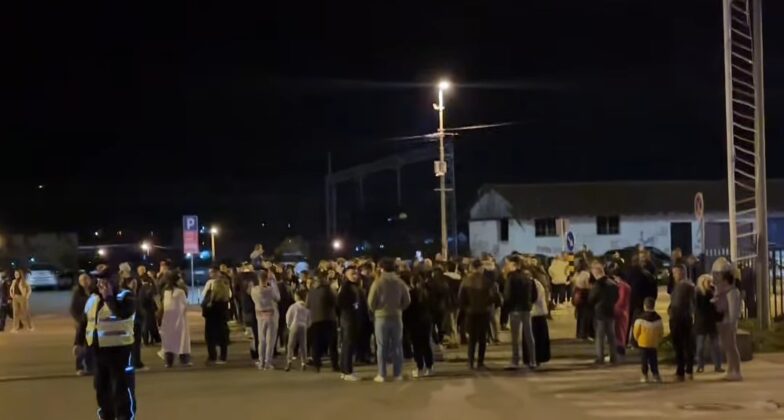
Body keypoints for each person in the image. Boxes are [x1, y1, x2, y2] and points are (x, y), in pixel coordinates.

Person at [75, 265, 137, 420]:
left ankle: (124, 416)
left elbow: (122, 313)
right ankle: (106, 415)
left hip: (120, 351)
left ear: (114, 281)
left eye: (104, 281)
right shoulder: (93, 299)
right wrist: (78, 342)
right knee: (101, 388)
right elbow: (84, 322)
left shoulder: (126, 296)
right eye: (99, 281)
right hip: (98, 352)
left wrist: (109, 297)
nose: (100, 284)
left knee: (122, 387)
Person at [368, 257, 411, 382]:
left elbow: (371, 302)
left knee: (382, 346)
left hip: (381, 317)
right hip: (397, 316)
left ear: (381, 268)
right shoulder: (400, 282)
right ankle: (398, 374)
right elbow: (407, 300)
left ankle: (382, 374)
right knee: (397, 346)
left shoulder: (377, 283)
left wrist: (376, 309)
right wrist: (399, 308)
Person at [459, 259, 501, 371]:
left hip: (471, 312)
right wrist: (488, 303)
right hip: (484, 312)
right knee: (482, 338)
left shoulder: (466, 281)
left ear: (472, 267)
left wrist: (466, 308)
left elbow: (461, 298)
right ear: (481, 268)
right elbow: (494, 297)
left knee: (472, 339)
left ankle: (470, 362)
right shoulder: (487, 281)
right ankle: (480, 362)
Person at [503, 256, 536, 370]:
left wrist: (507, 307)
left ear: (514, 265)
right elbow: (534, 294)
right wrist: (529, 303)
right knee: (529, 335)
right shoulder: (528, 276)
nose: (507, 266)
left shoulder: (511, 277)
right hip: (526, 309)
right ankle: (532, 360)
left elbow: (507, 295)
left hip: (515, 309)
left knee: (515, 337)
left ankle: (515, 360)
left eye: (508, 264)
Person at [712, 257, 742, 381]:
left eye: (718, 274)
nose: (716, 277)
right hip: (723, 322)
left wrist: (732, 324)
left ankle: (736, 371)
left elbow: (733, 311)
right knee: (727, 347)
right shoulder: (721, 291)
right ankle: (730, 369)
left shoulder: (732, 292)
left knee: (731, 347)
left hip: (728, 322)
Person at [307, 271, 339, 373]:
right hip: (329, 319)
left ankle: (317, 364)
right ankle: (335, 365)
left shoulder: (311, 291)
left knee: (316, 343)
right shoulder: (328, 290)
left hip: (315, 320)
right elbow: (335, 302)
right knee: (332, 343)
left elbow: (307, 305)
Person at [588, 260, 618, 364]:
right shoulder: (612, 283)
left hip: (600, 313)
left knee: (600, 336)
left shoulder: (597, 285)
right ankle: (614, 356)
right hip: (611, 311)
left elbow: (591, 298)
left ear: (596, 272)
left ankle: (600, 357)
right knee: (611, 336)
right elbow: (617, 296)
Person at [669, 264, 695, 381]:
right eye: (673, 273)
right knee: (681, 345)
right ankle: (683, 370)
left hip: (682, 318)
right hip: (677, 317)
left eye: (676, 273)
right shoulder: (679, 285)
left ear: (682, 272)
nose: (674, 275)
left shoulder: (686, 285)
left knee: (683, 345)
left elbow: (686, 303)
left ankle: (684, 371)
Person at [405, 270, 434, 378]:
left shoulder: (411, 294)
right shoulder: (427, 293)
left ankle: (419, 367)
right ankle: (429, 366)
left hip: (414, 322)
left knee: (416, 346)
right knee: (426, 344)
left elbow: (407, 309)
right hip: (426, 321)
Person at [159, 271, 192, 368]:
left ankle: (168, 361)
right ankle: (184, 360)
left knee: (169, 339)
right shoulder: (180, 292)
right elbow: (184, 305)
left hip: (167, 318)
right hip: (179, 318)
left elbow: (163, 304)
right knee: (182, 339)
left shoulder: (165, 291)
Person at [251, 268, 281, 370]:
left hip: (260, 316)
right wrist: (273, 282)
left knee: (262, 340)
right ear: (267, 279)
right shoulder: (270, 290)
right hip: (271, 315)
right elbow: (278, 297)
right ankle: (268, 362)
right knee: (270, 341)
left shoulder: (254, 290)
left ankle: (261, 361)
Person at [337, 265, 363, 381]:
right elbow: (340, 303)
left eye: (356, 273)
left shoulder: (354, 286)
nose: (355, 276)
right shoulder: (346, 287)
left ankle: (345, 369)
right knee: (348, 344)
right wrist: (353, 307)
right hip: (348, 318)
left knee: (348, 344)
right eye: (352, 274)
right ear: (346, 275)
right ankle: (347, 371)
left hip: (351, 318)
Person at [202, 267, 231, 364]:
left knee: (210, 338)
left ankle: (212, 356)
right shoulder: (225, 291)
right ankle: (223, 357)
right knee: (223, 337)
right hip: (222, 317)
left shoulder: (212, 297)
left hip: (211, 318)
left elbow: (205, 304)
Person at [695, 274, 723, 373]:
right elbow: (699, 308)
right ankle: (700, 366)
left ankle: (718, 365)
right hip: (701, 323)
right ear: (702, 282)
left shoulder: (713, 293)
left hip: (711, 323)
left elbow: (717, 309)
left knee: (716, 346)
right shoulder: (698, 294)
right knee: (700, 347)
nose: (710, 283)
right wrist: (711, 301)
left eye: (711, 281)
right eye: (708, 281)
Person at [119, 263, 146, 370]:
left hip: (131, 316)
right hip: (131, 317)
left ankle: (133, 362)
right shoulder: (125, 286)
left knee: (132, 341)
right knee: (133, 341)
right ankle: (135, 362)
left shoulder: (124, 284)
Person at [633, 297, 663, 383]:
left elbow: (636, 331)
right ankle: (656, 375)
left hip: (643, 342)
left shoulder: (640, 318)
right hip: (654, 343)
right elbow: (661, 331)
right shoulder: (658, 318)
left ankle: (644, 375)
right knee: (654, 360)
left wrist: (637, 339)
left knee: (644, 360)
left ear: (645, 306)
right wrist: (658, 339)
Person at [71, 273, 95, 375]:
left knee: (90, 345)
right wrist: (79, 320)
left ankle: (90, 367)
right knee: (80, 345)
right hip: (81, 322)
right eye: (82, 280)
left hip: (92, 322)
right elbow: (73, 309)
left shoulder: (94, 291)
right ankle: (79, 367)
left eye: (86, 279)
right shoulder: (77, 293)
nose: (84, 282)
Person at [525, 273, 551, 367]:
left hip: (534, 313)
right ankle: (538, 358)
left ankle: (534, 358)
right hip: (539, 312)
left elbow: (532, 298)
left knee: (534, 337)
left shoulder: (531, 283)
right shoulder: (538, 283)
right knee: (540, 337)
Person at [608, 263, 631, 356]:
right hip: (624, 311)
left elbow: (621, 300)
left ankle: (619, 351)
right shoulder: (625, 286)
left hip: (620, 311)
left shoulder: (622, 286)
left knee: (619, 332)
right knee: (621, 331)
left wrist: (613, 308)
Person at [285, 289, 311, 371]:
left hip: (294, 325)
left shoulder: (293, 306)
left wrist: (289, 325)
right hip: (303, 326)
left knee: (291, 345)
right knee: (303, 345)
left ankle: (289, 361)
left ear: (297, 297)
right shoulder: (307, 307)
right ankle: (303, 363)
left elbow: (288, 316)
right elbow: (309, 319)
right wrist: (307, 326)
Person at [136, 265, 160, 345]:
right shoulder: (150, 279)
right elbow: (155, 291)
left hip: (143, 304)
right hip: (150, 304)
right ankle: (153, 338)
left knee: (145, 323)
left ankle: (146, 340)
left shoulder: (139, 280)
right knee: (151, 323)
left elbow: (137, 292)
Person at [572, 260, 593, 340]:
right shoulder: (586, 274)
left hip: (577, 293)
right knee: (585, 314)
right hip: (584, 294)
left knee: (580, 314)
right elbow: (588, 285)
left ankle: (579, 333)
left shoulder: (577, 274)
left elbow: (573, 282)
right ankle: (584, 333)